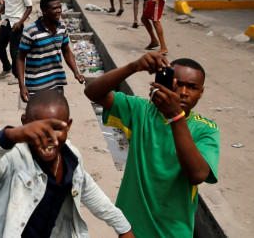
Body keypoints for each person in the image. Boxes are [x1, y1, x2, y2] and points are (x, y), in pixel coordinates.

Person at [0, 89, 134, 238]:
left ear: (68, 126)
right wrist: (11, 135)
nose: (48, 137)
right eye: (39, 128)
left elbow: (90, 191)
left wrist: (123, 226)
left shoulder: (71, 158)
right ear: (25, 123)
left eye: (56, 128)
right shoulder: (13, 160)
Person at [84, 52, 219, 237]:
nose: (184, 92)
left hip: (173, 231)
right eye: (177, 84)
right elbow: (93, 92)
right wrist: (133, 67)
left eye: (192, 87)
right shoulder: (141, 111)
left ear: (201, 92)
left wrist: (176, 116)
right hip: (131, 228)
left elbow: (197, 175)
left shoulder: (206, 130)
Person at [16, 0, 85, 102]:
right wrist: (22, 86)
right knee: (39, 117)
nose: (59, 11)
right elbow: (20, 59)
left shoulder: (62, 28)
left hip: (57, 82)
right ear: (44, 11)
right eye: (54, 8)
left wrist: (76, 72)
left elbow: (66, 51)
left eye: (59, 7)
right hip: (36, 86)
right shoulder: (31, 31)